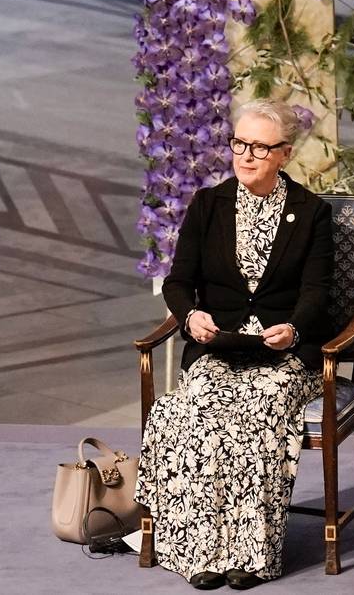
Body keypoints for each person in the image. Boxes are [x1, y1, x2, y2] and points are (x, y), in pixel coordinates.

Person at [138, 99, 336, 590]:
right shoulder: (209, 205)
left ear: (284, 154)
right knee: (194, 411)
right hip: (219, 349)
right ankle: (200, 552)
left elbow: (318, 292)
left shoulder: (311, 214)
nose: (245, 155)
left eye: (260, 148)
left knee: (257, 411)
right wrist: (191, 316)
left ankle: (250, 555)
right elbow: (178, 281)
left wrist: (294, 328)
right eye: (240, 144)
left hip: (282, 354)